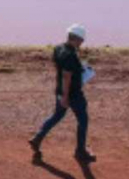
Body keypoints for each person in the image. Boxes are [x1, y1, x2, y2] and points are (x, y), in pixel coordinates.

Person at [30, 23, 96, 162]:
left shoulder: (58, 49)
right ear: (77, 39)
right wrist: (65, 97)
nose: (82, 43)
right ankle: (80, 151)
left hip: (60, 90)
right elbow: (67, 76)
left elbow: (60, 70)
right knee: (83, 120)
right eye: (81, 41)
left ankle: (38, 138)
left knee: (56, 116)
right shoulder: (70, 55)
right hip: (73, 94)